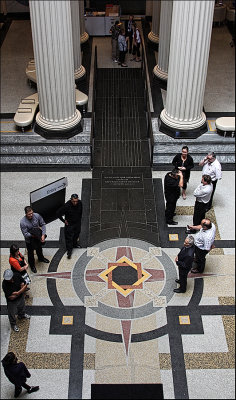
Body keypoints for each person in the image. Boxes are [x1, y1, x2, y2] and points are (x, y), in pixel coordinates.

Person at [20, 206, 49, 273]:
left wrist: (43, 235)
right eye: (29, 214)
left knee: (39, 248)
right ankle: (32, 265)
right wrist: (33, 235)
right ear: (26, 214)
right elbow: (25, 234)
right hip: (30, 240)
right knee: (30, 253)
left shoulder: (37, 216)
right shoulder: (23, 222)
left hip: (38, 237)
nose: (31, 215)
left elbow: (43, 224)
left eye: (32, 213)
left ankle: (41, 258)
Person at [56, 193, 83, 259]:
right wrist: (63, 220)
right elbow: (58, 213)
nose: (75, 203)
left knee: (76, 234)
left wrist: (79, 219)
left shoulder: (80, 203)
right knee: (69, 238)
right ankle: (69, 251)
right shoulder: (66, 206)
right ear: (71, 200)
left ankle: (75, 244)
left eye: (76, 201)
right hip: (69, 224)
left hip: (77, 223)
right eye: (74, 201)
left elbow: (81, 212)